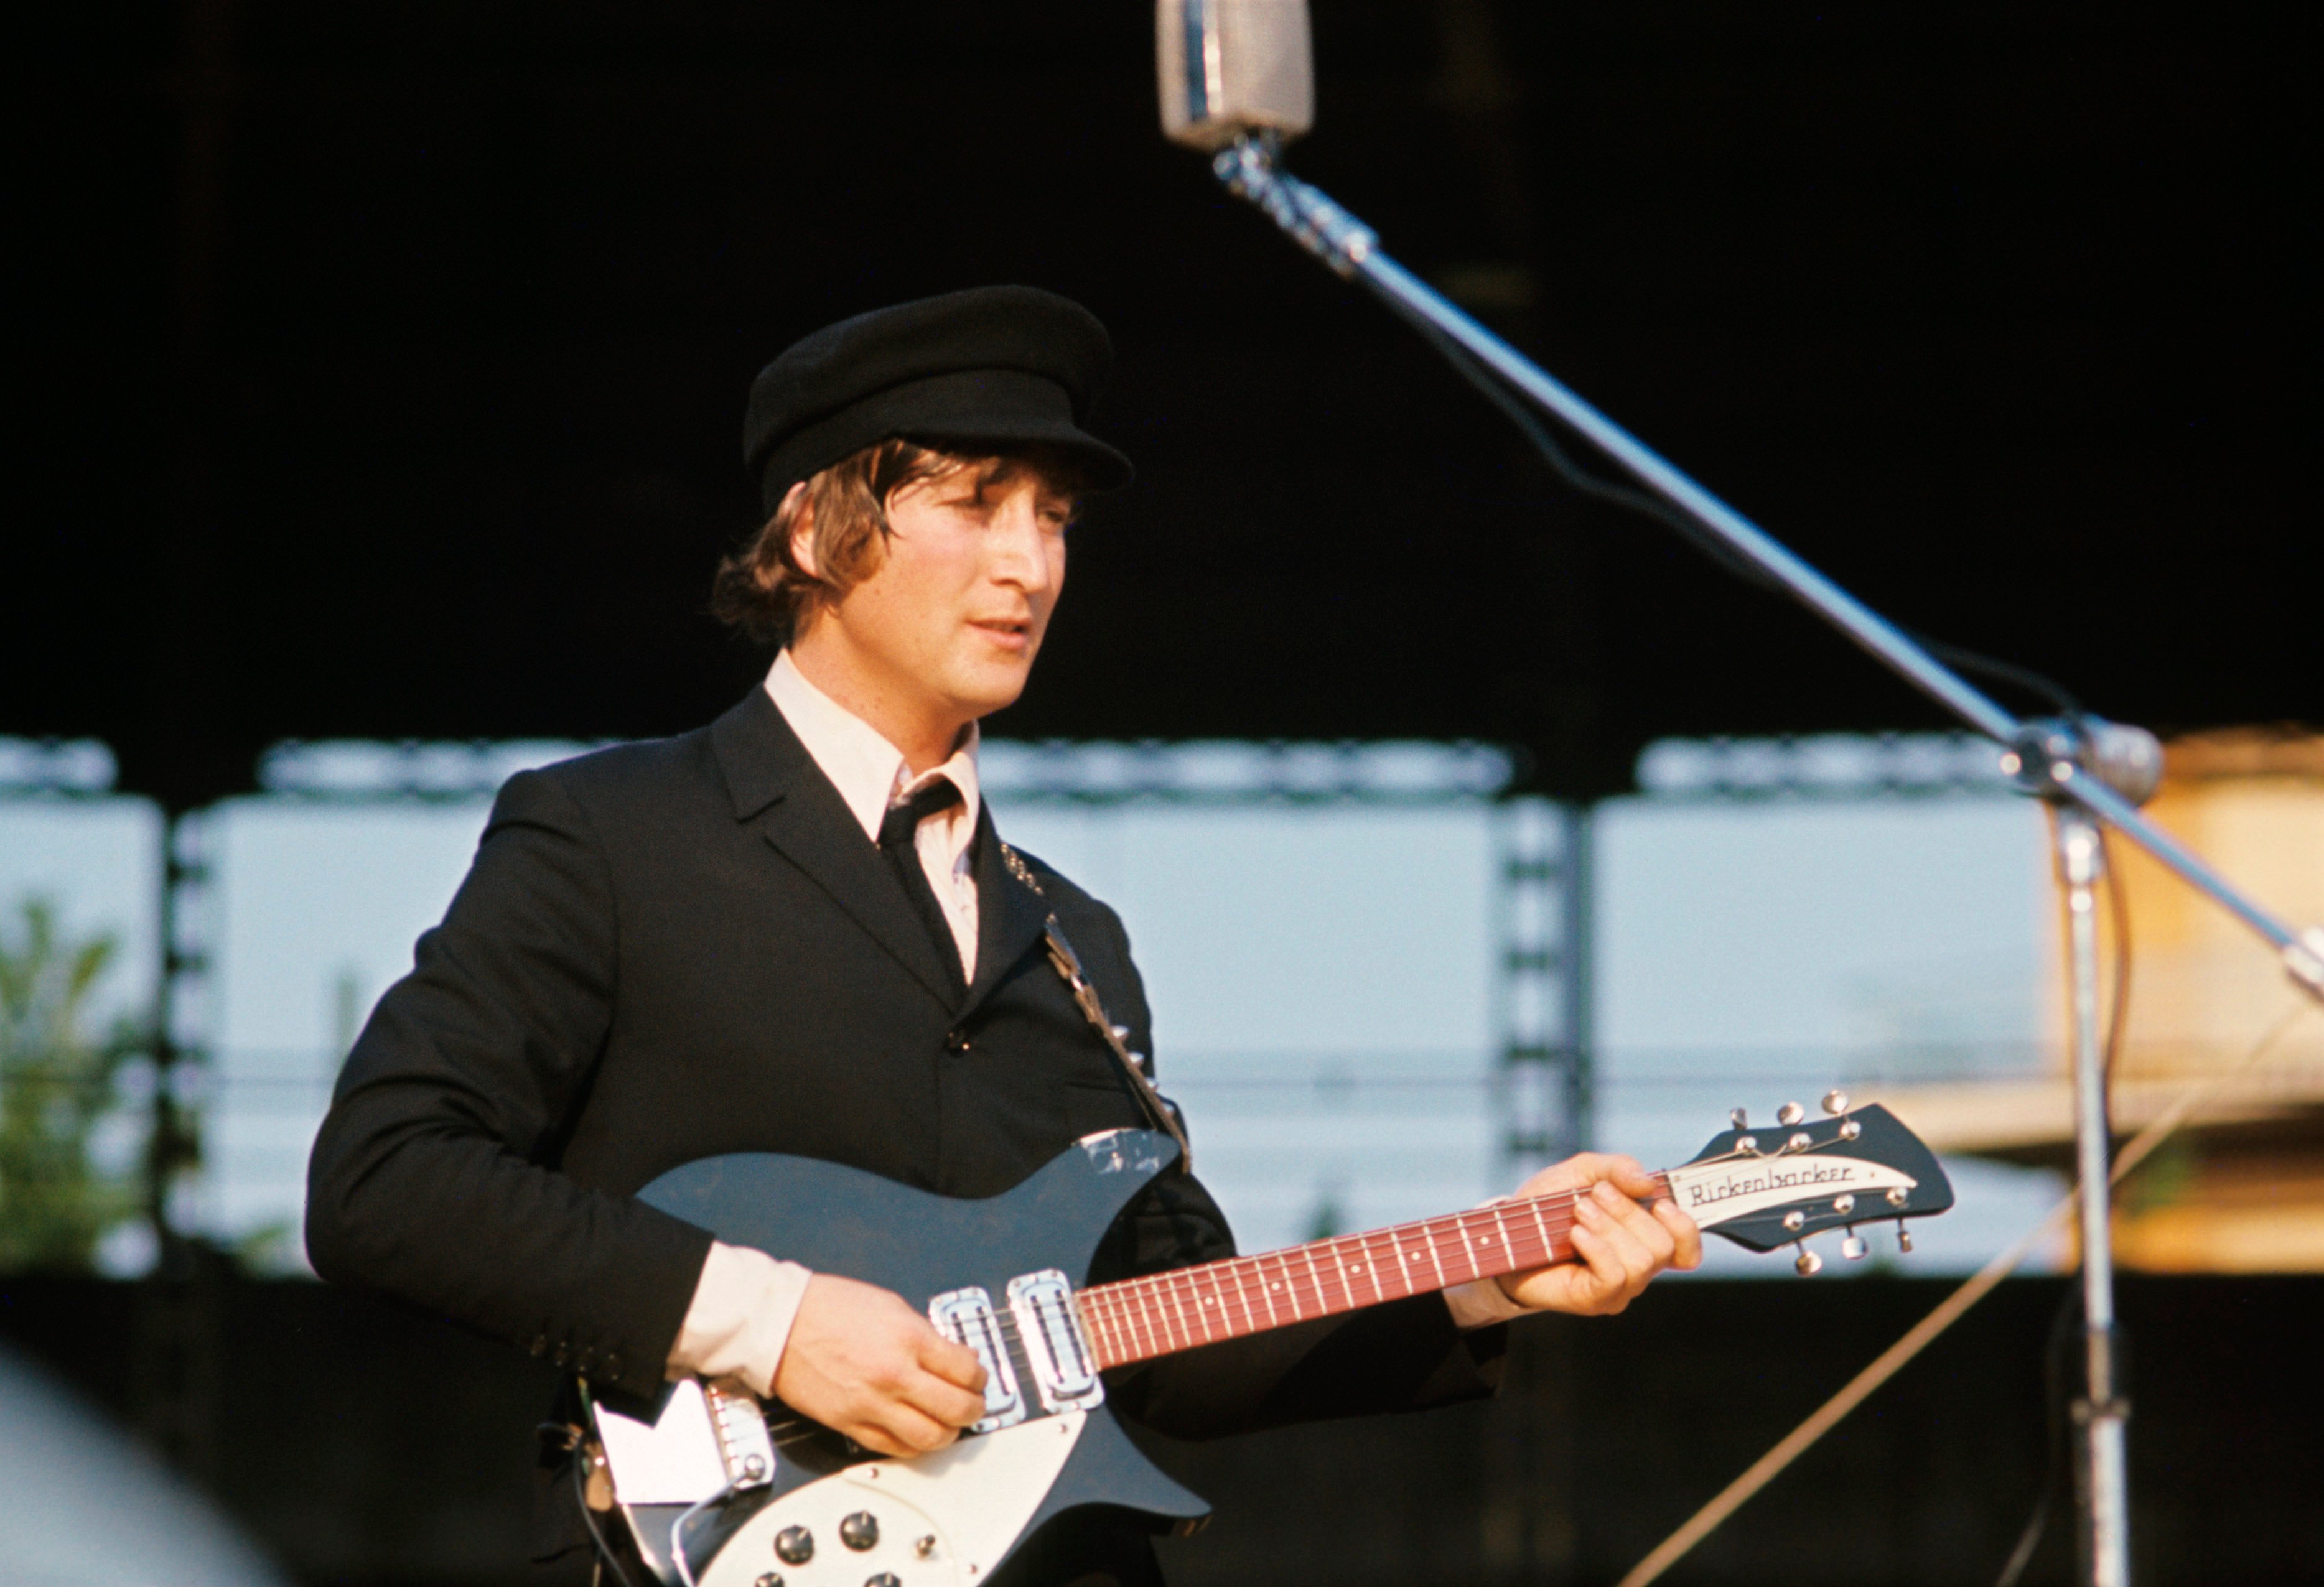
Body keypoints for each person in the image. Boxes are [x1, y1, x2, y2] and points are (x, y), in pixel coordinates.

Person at [304, 285, 1701, 1587]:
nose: (1028, 562)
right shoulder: (609, 833)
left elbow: (1163, 1339)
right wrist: (773, 1321)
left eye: (1054, 518)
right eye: (975, 503)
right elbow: (382, 1179)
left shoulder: (1074, 935)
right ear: (810, 530)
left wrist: (1477, 1276)